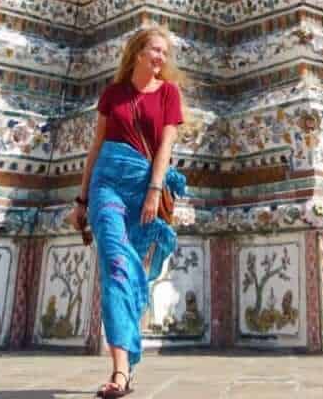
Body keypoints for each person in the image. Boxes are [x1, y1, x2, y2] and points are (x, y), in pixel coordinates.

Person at [70, 25, 187, 398]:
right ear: (137, 52)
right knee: (115, 264)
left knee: (128, 272)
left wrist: (155, 189)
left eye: (165, 53)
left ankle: (125, 363)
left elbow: (166, 145)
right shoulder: (113, 94)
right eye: (155, 50)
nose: (161, 58)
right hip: (107, 183)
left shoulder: (169, 93)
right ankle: (120, 371)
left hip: (142, 187)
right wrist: (81, 199)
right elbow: (96, 146)